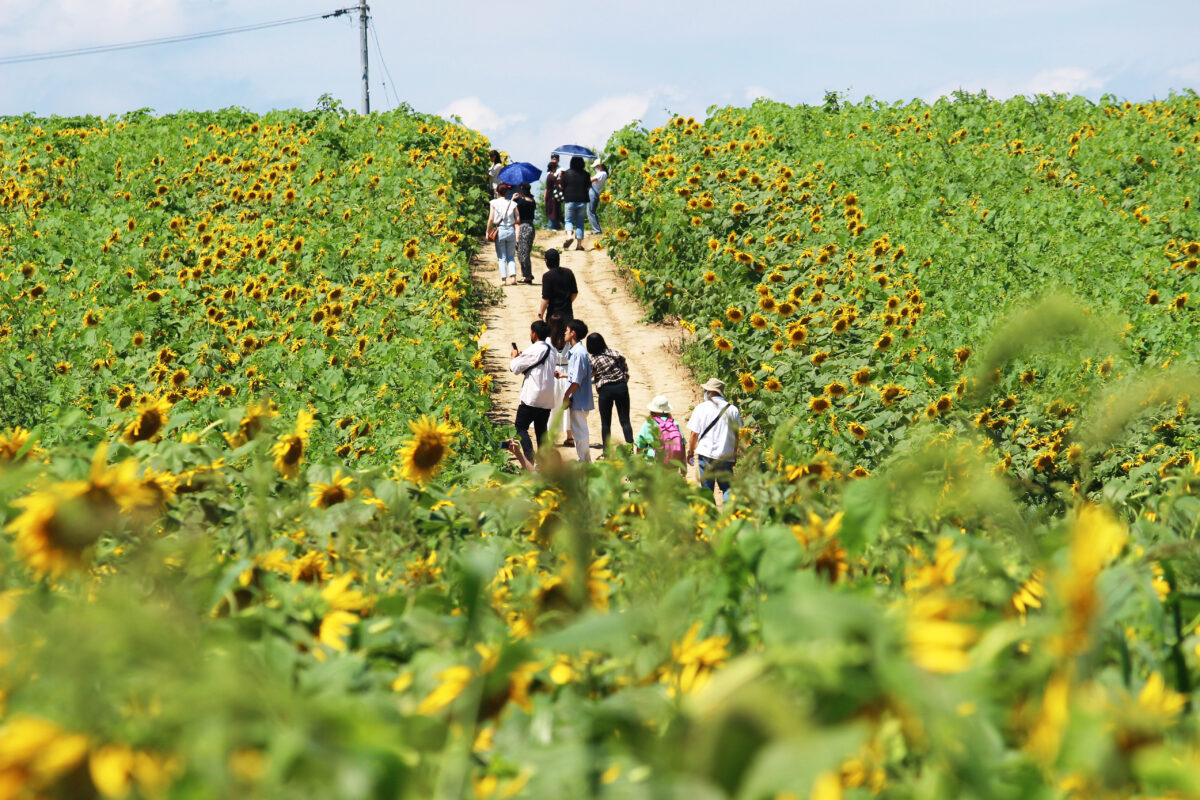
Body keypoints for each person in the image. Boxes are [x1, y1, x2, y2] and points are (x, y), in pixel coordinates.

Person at [509, 319, 558, 463]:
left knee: (520, 428)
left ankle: (530, 459)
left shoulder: (534, 350)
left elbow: (515, 368)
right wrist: (524, 355)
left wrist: (513, 357)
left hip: (532, 397)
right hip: (547, 398)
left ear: (534, 334)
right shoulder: (552, 350)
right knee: (541, 431)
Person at [686, 378, 742, 502]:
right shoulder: (733, 410)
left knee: (707, 490)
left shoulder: (701, 408)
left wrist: (690, 452)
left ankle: (711, 518)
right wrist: (734, 455)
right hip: (726, 455)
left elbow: (694, 434)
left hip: (706, 455)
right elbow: (737, 435)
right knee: (727, 488)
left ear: (710, 392)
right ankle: (728, 516)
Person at [585, 332, 633, 447]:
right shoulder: (615, 353)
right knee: (625, 420)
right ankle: (630, 448)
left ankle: (607, 452)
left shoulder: (593, 359)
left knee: (605, 423)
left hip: (605, 390)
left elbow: (589, 375)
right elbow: (625, 369)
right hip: (621, 387)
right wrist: (623, 381)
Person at [558, 319, 593, 463]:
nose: (564, 334)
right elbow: (578, 374)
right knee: (579, 431)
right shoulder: (578, 351)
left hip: (579, 399)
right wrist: (564, 375)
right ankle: (585, 461)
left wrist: (566, 395)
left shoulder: (578, 353)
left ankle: (584, 462)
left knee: (580, 433)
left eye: (566, 331)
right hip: (580, 399)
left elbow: (577, 380)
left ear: (573, 333)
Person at [635, 395, 686, 472]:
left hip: (654, 463)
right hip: (673, 465)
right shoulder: (674, 423)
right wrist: (684, 467)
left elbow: (640, 446)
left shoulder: (648, 424)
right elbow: (682, 445)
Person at [547, 314, 573, 446]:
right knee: (567, 405)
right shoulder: (569, 340)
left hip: (553, 374)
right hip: (567, 373)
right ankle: (570, 436)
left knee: (552, 405)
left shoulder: (547, 340)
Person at [486, 183, 518, 286]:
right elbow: (518, 219)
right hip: (511, 230)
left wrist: (488, 231)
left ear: (497, 192)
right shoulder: (512, 204)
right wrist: (511, 223)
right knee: (511, 256)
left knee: (501, 257)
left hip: (500, 231)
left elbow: (491, 218)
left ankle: (504, 280)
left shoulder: (494, 203)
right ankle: (513, 277)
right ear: (507, 192)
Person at [559, 156, 591, 251]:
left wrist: (562, 178)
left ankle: (569, 236)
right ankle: (579, 245)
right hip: (582, 200)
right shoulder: (586, 174)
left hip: (569, 200)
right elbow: (588, 187)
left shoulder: (567, 173)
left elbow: (561, 186)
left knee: (568, 220)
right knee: (580, 223)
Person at [539, 248, 578, 322]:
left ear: (546, 261)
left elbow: (545, 298)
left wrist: (540, 315)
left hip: (553, 315)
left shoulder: (547, 276)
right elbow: (574, 293)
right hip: (568, 314)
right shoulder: (569, 272)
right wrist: (566, 303)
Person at [513, 183, 537, 284]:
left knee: (522, 253)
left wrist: (513, 199)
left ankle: (527, 275)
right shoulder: (532, 201)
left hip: (523, 227)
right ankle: (527, 274)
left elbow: (511, 208)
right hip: (531, 226)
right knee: (524, 252)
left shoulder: (520, 202)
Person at [588, 159, 608, 235]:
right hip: (594, 192)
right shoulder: (602, 173)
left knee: (591, 211)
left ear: (600, 166)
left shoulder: (602, 173)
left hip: (593, 192)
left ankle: (597, 230)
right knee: (591, 211)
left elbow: (591, 180)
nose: (595, 168)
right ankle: (596, 229)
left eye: (596, 166)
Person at [543, 160, 563, 231]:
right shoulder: (551, 177)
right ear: (553, 168)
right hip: (552, 197)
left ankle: (557, 226)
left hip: (550, 196)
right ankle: (551, 227)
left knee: (554, 211)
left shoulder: (549, 176)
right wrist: (560, 178)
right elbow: (558, 185)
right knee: (553, 212)